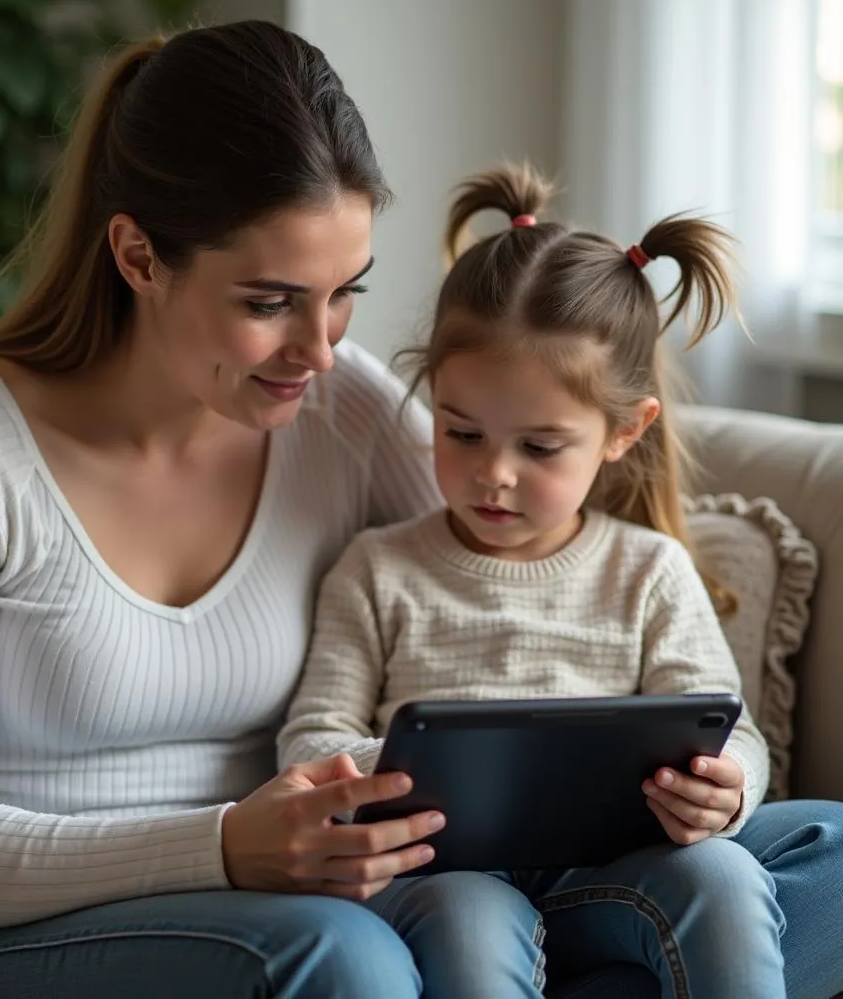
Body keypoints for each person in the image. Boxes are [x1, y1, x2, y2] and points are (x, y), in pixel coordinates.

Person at [0, 19, 841, 999]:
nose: (318, 348)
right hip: (0, 931)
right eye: (269, 301)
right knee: (344, 960)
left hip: (309, 886)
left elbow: (491, 568)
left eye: (344, 291)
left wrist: (700, 781)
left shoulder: (337, 408)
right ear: (139, 256)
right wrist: (226, 844)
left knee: (825, 853)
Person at [278, 164, 843, 999]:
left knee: (739, 873)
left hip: (611, 875)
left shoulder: (648, 570)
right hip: (445, 873)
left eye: (539, 448)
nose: (493, 475)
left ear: (623, 432)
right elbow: (310, 736)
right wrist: (392, 768)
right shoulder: (378, 568)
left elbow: (731, 734)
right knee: (470, 927)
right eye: (462, 432)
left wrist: (726, 792)